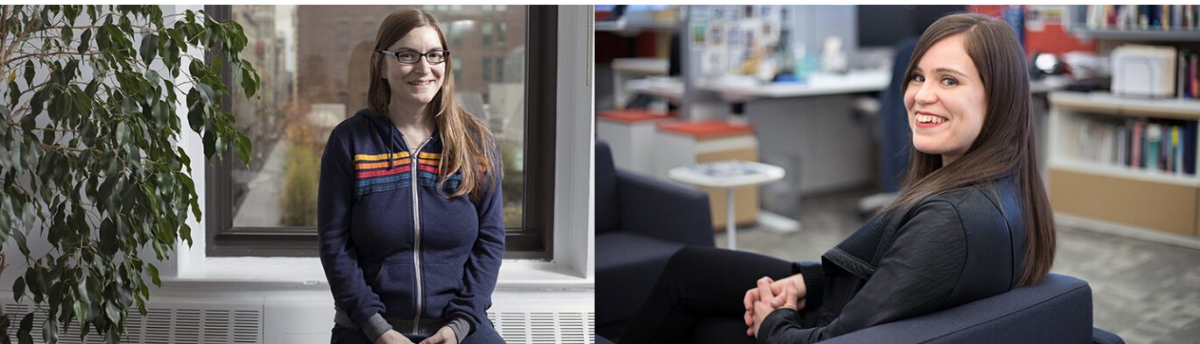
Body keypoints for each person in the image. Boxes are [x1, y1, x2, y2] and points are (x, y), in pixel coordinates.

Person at [616, 13, 1056, 344]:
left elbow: (845, 336)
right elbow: (888, 275)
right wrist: (804, 284)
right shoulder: (1005, 188)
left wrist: (774, 321)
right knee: (691, 266)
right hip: (850, 305)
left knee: (704, 322)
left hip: (832, 327)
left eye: (949, 81)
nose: (922, 95)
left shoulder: (949, 222)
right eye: (918, 76)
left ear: (998, 97)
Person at [317, 8, 506, 344]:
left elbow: (490, 242)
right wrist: (378, 329)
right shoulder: (349, 141)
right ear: (381, 65)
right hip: (367, 327)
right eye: (407, 55)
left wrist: (459, 325)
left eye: (434, 55)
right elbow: (335, 245)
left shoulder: (476, 143)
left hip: (458, 326)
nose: (423, 67)